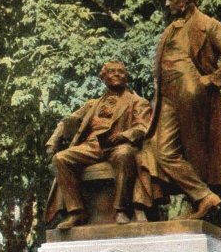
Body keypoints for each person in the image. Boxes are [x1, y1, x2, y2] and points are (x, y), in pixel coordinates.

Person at [136, 0, 221, 218]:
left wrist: (213, 79)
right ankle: (203, 196)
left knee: (195, 152)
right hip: (166, 97)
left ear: (185, 0)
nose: (167, 4)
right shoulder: (172, 28)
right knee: (160, 151)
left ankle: (200, 202)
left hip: (191, 94)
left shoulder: (208, 25)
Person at [44, 61, 152, 229]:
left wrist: (123, 135)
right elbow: (67, 121)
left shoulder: (137, 102)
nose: (117, 74)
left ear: (126, 77)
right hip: (91, 146)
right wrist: (53, 141)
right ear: (103, 78)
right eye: (112, 72)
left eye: (121, 72)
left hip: (118, 145)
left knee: (124, 154)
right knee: (60, 158)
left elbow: (143, 127)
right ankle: (77, 212)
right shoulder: (92, 104)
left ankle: (121, 209)